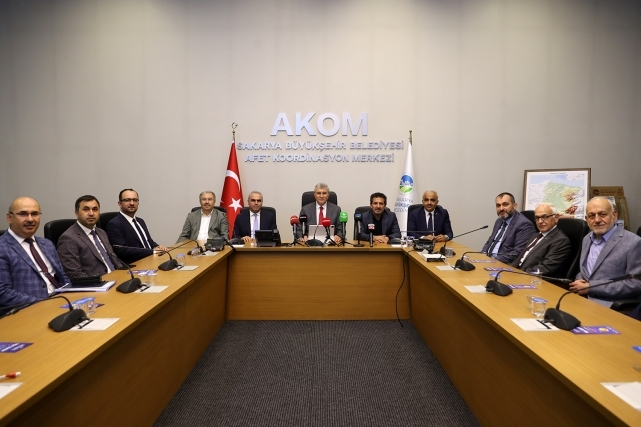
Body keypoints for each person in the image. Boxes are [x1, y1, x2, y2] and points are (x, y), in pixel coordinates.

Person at [0, 197, 71, 312]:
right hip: (31, 311)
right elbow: (3, 293)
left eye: (34, 214)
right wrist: (44, 304)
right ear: (9, 218)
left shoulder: (47, 243)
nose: (30, 219)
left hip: (63, 303)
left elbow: (63, 277)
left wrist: (73, 296)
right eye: (23, 214)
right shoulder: (2, 248)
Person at [569, 197, 641, 307]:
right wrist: (579, 280)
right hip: (581, 298)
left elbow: (636, 283)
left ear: (614, 216)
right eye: (591, 216)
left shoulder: (633, 242)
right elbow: (585, 270)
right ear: (587, 219)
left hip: (608, 304)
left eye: (602, 214)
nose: (597, 220)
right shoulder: (587, 239)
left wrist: (591, 288)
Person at [57, 195, 124, 279]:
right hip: (97, 283)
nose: (91, 213)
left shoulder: (101, 232)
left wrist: (124, 274)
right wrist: (102, 281)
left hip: (117, 277)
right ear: (76, 213)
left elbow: (115, 260)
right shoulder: (68, 238)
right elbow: (74, 275)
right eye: (86, 209)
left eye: (95, 209)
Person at [106, 189, 168, 264]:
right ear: (120, 203)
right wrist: (153, 251)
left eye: (135, 200)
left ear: (138, 203)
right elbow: (122, 250)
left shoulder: (140, 221)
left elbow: (148, 242)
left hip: (151, 260)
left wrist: (158, 247)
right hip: (136, 264)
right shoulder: (114, 224)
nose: (132, 203)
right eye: (127, 200)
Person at [511, 203, 571, 277]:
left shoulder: (560, 240)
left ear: (556, 218)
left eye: (545, 217)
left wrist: (518, 274)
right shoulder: (536, 235)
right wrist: (509, 269)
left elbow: (544, 269)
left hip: (532, 279)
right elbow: (520, 258)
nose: (540, 221)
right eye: (537, 218)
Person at [481, 192, 536, 264]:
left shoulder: (524, 224)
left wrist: (493, 259)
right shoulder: (499, 221)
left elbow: (517, 253)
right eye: (498, 205)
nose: (501, 208)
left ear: (514, 206)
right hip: (488, 261)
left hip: (504, 264)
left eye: (505, 204)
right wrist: (483, 255)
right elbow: (490, 241)